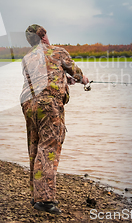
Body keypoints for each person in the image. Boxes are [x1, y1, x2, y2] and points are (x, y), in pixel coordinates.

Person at [20, 24, 89, 215]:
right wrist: (83, 79)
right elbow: (76, 71)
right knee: (49, 148)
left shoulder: (26, 59)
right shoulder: (57, 51)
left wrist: (65, 81)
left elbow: (40, 78)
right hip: (48, 105)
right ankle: (45, 200)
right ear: (43, 37)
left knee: (35, 147)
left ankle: (35, 196)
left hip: (28, 105)